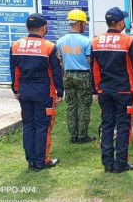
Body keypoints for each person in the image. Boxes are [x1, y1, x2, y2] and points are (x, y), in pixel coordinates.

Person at [90, 7, 133, 173]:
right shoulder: (127, 41)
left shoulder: (96, 41)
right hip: (124, 92)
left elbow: (93, 68)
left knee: (107, 126)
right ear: (120, 22)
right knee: (123, 126)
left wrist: (95, 90)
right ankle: (121, 163)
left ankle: (107, 163)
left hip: (105, 91)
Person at [10, 13, 63, 171]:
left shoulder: (16, 46)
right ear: (44, 27)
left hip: (24, 93)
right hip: (44, 94)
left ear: (27, 27)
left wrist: (16, 89)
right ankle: (42, 161)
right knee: (43, 126)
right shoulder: (49, 47)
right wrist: (60, 92)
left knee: (28, 126)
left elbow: (14, 71)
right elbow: (56, 72)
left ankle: (31, 161)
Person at [56, 9, 95, 144]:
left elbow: (59, 61)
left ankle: (73, 135)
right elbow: (91, 61)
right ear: (80, 23)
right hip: (83, 75)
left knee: (71, 105)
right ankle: (82, 136)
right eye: (85, 23)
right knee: (84, 105)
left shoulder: (60, 41)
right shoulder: (87, 41)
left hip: (67, 75)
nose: (85, 26)